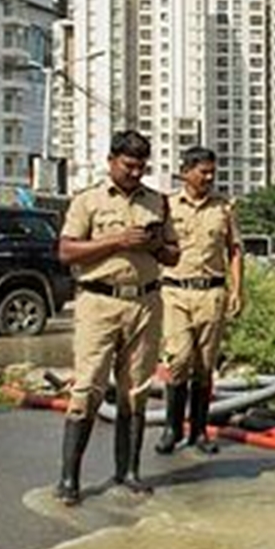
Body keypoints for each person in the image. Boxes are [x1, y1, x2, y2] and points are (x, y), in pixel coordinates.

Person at [55, 131, 179, 505]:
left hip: (145, 303)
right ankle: (69, 479)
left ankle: (128, 471)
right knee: (88, 387)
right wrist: (117, 242)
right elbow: (66, 251)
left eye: (142, 167)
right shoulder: (87, 201)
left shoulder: (157, 202)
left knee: (136, 389)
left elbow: (173, 255)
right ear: (111, 161)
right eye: (129, 165)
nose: (135, 173)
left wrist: (156, 244)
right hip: (99, 303)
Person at [156, 147, 244, 455]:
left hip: (211, 293)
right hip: (175, 292)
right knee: (178, 359)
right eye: (203, 171)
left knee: (204, 367)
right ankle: (171, 428)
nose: (208, 177)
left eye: (212, 172)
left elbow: (234, 250)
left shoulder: (223, 208)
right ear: (186, 171)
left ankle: (199, 431)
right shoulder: (166, 206)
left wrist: (237, 290)